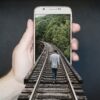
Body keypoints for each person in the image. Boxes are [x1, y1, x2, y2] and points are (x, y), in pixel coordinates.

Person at [0, 19, 80, 100]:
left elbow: (50, 60)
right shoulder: (57, 55)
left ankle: (53, 79)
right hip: (56, 66)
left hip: (52, 65)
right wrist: (17, 80)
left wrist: (17, 81)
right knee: (55, 72)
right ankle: (54, 79)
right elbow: (58, 61)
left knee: (53, 72)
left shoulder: (52, 56)